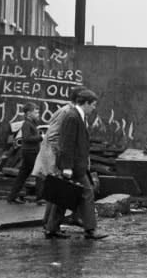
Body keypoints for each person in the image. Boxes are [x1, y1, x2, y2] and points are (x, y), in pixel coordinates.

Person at [45, 89, 108, 240]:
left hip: (75, 165)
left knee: (63, 195)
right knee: (87, 193)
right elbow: (67, 143)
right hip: (73, 166)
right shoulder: (73, 117)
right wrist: (67, 167)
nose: (94, 108)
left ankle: (51, 229)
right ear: (85, 103)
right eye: (93, 105)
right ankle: (90, 230)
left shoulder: (77, 116)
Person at [34, 86, 85, 234]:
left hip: (57, 155)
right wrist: (60, 158)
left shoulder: (70, 111)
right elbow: (53, 136)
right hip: (55, 156)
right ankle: (50, 225)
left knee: (57, 190)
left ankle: (54, 223)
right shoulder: (67, 113)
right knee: (58, 190)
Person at [6, 102, 43, 204]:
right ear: (28, 114)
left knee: (22, 175)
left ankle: (12, 197)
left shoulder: (32, 124)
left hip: (30, 152)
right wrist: (41, 137)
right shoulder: (27, 124)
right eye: (36, 112)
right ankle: (40, 198)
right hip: (30, 153)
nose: (38, 114)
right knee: (39, 173)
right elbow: (26, 138)